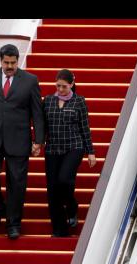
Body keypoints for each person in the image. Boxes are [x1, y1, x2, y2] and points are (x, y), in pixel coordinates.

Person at [0, 44, 45, 240]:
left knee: (17, 184)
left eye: (13, 62)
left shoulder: (30, 81)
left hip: (19, 140)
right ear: (1, 60)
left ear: (17, 60)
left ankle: (13, 224)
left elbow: (37, 113)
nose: (10, 66)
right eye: (6, 62)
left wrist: (38, 139)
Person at [42, 69, 96, 237]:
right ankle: (59, 229)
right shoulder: (48, 101)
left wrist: (90, 151)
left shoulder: (79, 101)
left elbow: (84, 127)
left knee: (64, 180)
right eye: (57, 86)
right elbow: (43, 125)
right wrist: (38, 142)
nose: (60, 90)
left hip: (74, 146)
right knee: (52, 189)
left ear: (71, 84)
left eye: (64, 87)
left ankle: (72, 209)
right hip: (52, 148)